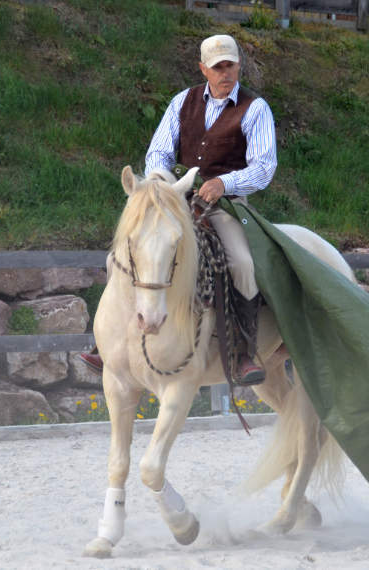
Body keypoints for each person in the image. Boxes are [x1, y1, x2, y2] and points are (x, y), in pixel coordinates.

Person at [79, 34, 277, 386]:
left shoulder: (255, 108)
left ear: (238, 65)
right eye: (217, 67)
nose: (225, 72)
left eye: (230, 65)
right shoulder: (181, 102)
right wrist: (161, 183)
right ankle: (105, 343)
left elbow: (264, 167)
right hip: (177, 199)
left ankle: (244, 353)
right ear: (203, 69)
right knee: (118, 256)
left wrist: (225, 184)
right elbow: (157, 153)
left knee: (242, 263)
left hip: (226, 206)